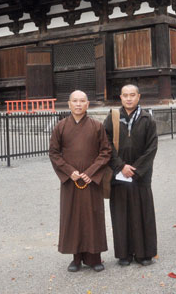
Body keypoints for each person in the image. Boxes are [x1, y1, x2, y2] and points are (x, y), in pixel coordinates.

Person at [48, 90, 111, 272]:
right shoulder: (61, 127)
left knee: (93, 216)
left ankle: (94, 258)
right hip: (71, 181)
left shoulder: (97, 126)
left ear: (87, 104)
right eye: (74, 101)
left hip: (91, 181)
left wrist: (91, 172)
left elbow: (105, 152)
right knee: (73, 218)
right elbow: (54, 153)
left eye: (82, 101)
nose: (78, 104)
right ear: (69, 104)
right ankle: (76, 258)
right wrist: (69, 172)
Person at [103, 84, 158, 266]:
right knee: (121, 215)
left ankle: (144, 254)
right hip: (119, 175)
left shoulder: (147, 119)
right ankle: (124, 254)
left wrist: (135, 170)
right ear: (120, 97)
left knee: (142, 214)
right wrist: (120, 166)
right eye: (125, 95)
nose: (128, 98)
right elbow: (106, 144)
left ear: (138, 97)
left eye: (132, 95)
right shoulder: (113, 117)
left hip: (141, 176)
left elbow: (152, 148)